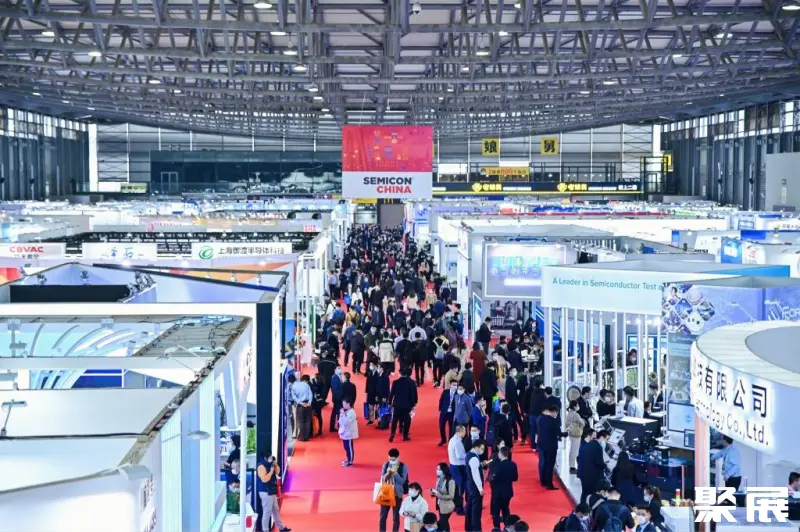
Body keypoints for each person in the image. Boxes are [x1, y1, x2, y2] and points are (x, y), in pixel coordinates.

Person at [256, 452, 291, 532]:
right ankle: (265, 530)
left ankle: (281, 528)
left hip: (272, 490)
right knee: (267, 511)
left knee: (275, 509)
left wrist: (275, 465)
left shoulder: (271, 465)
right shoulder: (261, 466)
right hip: (265, 491)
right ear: (265, 458)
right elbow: (264, 479)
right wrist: (271, 471)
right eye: (270, 458)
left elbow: (278, 472)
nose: (271, 459)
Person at [380, 448, 410, 532]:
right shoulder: (386, 465)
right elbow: (382, 479)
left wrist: (395, 473)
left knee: (396, 517)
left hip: (397, 495)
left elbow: (402, 481)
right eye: (390, 459)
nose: (391, 461)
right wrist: (387, 473)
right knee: (382, 517)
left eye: (393, 460)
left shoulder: (403, 466)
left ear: (398, 457)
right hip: (386, 493)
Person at [489, 446, 518, 530]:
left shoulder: (498, 465)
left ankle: (497, 528)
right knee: (506, 510)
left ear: (500, 454)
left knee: (496, 512)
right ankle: (507, 528)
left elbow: (493, 479)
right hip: (508, 491)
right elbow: (515, 478)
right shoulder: (513, 464)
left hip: (497, 493)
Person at [578, 430, 609, 505]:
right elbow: (599, 463)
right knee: (590, 494)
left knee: (584, 493)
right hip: (591, 476)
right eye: (607, 439)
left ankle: (581, 507)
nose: (607, 442)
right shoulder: (597, 447)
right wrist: (606, 465)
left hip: (584, 473)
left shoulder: (589, 444)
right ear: (602, 437)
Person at [389, 368, 418, 442]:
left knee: (395, 419)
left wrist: (389, 403)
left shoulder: (395, 382)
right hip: (407, 405)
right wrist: (413, 403)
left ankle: (392, 434)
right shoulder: (411, 383)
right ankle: (405, 436)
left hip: (397, 404)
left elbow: (392, 394)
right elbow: (413, 394)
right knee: (407, 420)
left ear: (400, 373)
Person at [536, 405, 561, 490]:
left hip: (542, 444)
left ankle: (543, 480)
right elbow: (558, 433)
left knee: (544, 463)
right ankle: (549, 484)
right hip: (551, 446)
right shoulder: (554, 421)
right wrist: (565, 434)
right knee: (550, 465)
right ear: (554, 412)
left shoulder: (541, 419)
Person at [465, 438, 487, 532]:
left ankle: (469, 528)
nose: (482, 450)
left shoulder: (469, 454)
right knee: (476, 510)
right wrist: (480, 489)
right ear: (476, 447)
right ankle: (476, 529)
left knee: (470, 507)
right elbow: (475, 475)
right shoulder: (474, 458)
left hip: (470, 485)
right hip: (475, 487)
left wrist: (481, 464)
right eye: (481, 448)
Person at [447, 425, 467, 516]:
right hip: (458, 467)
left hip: (454, 466)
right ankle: (459, 508)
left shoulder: (453, 440)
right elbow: (459, 456)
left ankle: (456, 505)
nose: (465, 432)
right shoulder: (457, 442)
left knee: (456, 487)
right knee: (459, 488)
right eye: (464, 431)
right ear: (460, 432)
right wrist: (468, 455)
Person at [431, 463, 457, 531]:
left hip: (447, 506)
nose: (437, 471)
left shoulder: (450, 481)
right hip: (440, 505)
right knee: (444, 522)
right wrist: (433, 493)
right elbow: (438, 491)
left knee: (443, 522)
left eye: (439, 469)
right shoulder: (439, 479)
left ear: (444, 470)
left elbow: (451, 496)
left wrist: (439, 495)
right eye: (437, 469)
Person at [291, 374, 314, 442]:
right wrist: (309, 402)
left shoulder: (294, 386)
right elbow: (310, 394)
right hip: (308, 404)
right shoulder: (307, 385)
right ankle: (306, 437)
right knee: (308, 421)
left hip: (300, 405)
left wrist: (300, 402)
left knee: (301, 421)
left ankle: (302, 437)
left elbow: (294, 397)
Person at [566, 400, 586, 474]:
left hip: (571, 433)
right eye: (577, 405)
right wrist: (583, 422)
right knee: (574, 451)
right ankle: (572, 467)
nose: (578, 406)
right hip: (576, 434)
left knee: (572, 450)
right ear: (574, 406)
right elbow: (582, 423)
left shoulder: (569, 413)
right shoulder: (576, 415)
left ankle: (572, 466)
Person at [337, 397, 358, 467]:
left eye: (344, 404)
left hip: (349, 433)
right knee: (346, 447)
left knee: (349, 447)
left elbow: (347, 421)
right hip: (345, 433)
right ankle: (348, 459)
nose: (343, 405)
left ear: (348, 404)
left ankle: (350, 461)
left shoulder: (352, 412)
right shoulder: (346, 411)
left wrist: (343, 414)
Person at [438, 381, 458, 446]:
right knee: (441, 426)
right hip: (444, 412)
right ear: (450, 385)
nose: (455, 386)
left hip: (452, 413)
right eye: (453, 385)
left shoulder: (457, 394)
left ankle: (450, 441)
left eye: (456, 385)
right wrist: (440, 409)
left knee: (451, 428)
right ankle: (443, 440)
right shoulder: (445, 392)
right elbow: (441, 400)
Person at [527, 379, 544, 450]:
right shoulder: (543, 392)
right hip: (538, 414)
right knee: (540, 430)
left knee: (532, 430)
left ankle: (533, 445)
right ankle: (538, 446)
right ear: (541, 385)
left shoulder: (533, 392)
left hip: (531, 414)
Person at [329, 366, 344, 432]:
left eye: (340, 368)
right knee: (338, 412)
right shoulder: (335, 378)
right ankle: (339, 426)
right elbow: (335, 390)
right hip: (337, 398)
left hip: (337, 397)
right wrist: (340, 397)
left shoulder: (338, 377)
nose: (340, 370)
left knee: (335, 411)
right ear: (335, 369)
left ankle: (333, 426)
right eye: (338, 368)